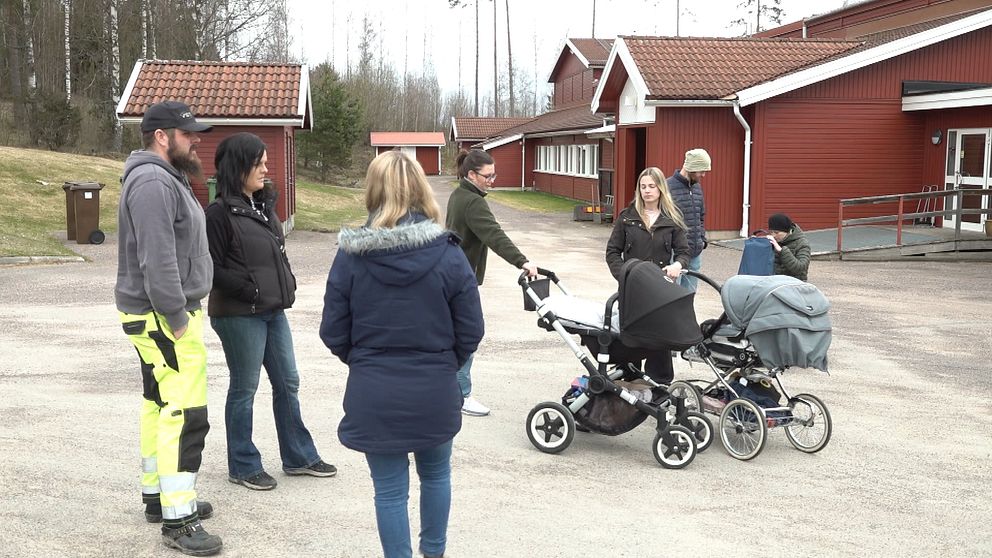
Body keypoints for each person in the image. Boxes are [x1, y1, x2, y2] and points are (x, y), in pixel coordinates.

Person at [320, 151, 484, 558]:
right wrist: (445, 362)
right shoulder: (448, 252)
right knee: (436, 474)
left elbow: (333, 331)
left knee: (389, 490)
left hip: (375, 389)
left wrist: (365, 361)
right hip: (434, 387)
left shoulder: (351, 256)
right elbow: (471, 329)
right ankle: (434, 553)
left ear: (374, 191)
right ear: (421, 190)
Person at [115, 100, 223, 556]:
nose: (195, 140)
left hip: (158, 314)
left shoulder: (164, 177)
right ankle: (180, 520)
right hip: (164, 316)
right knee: (184, 412)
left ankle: (158, 496)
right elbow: (156, 259)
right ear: (162, 136)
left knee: (160, 404)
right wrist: (178, 318)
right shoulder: (154, 181)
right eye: (188, 134)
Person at [205, 132, 336, 492]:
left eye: (266, 161)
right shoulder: (218, 213)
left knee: (288, 382)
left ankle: (298, 457)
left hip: (272, 310)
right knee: (245, 387)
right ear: (239, 166)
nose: (266, 168)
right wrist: (250, 288)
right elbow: (209, 267)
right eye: (259, 162)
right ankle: (243, 465)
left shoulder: (261, 207)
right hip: (238, 313)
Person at [445, 148, 538, 417]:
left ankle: (449, 390)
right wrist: (522, 261)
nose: (492, 180)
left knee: (455, 335)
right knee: (468, 335)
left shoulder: (459, 194)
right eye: (488, 175)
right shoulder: (473, 202)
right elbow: (494, 235)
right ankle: (460, 396)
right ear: (472, 174)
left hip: (452, 276)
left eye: (494, 174)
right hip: (461, 281)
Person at [605, 167, 690, 385]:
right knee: (631, 334)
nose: (647, 191)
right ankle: (628, 376)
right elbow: (612, 251)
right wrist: (624, 275)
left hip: (660, 289)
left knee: (659, 336)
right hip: (632, 288)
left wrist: (677, 265)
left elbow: (684, 251)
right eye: (643, 186)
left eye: (652, 186)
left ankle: (660, 383)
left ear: (661, 188)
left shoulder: (672, 218)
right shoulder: (627, 217)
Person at [667, 148, 711, 292]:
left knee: (689, 295)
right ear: (691, 168)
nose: (703, 175)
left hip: (695, 252)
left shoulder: (697, 188)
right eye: (701, 171)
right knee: (672, 296)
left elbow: (701, 216)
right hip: (675, 254)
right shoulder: (667, 187)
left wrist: (702, 239)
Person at [766, 212, 811, 281]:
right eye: (771, 232)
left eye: (776, 232)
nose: (773, 235)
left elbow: (800, 268)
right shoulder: (773, 241)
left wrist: (782, 251)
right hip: (774, 282)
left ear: (788, 231)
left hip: (794, 284)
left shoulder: (802, 243)